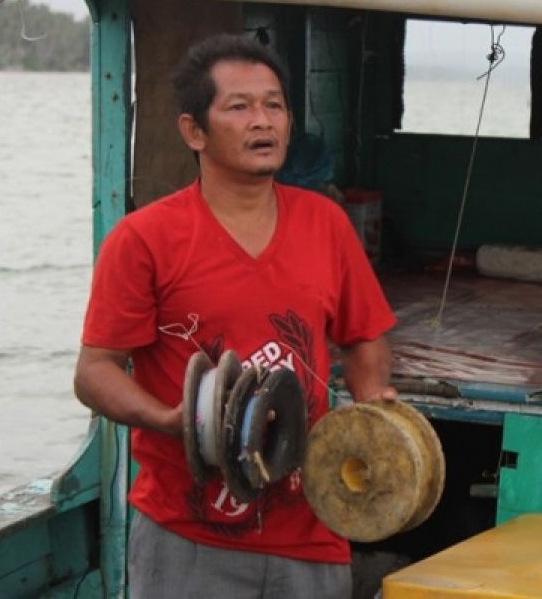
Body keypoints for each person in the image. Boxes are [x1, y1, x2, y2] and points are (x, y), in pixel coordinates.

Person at [74, 33, 396, 598]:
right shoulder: (143, 239)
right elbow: (95, 371)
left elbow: (363, 337)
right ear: (193, 131)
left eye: (274, 105)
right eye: (239, 107)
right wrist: (170, 419)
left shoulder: (326, 223)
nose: (262, 121)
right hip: (188, 538)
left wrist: (372, 413)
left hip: (312, 530)